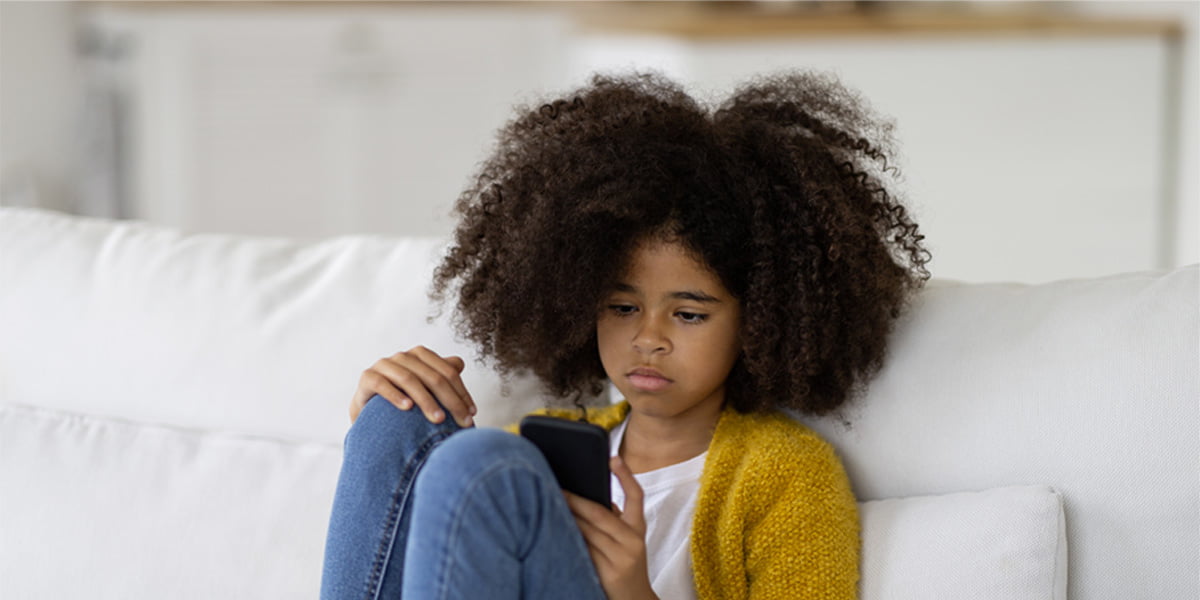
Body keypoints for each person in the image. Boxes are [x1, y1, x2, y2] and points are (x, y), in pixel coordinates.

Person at [320, 69, 930, 600]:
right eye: (621, 307)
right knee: (399, 420)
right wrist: (384, 414)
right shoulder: (550, 448)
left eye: (688, 314)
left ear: (764, 319)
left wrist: (635, 593)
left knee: (482, 461)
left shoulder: (786, 473)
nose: (649, 338)